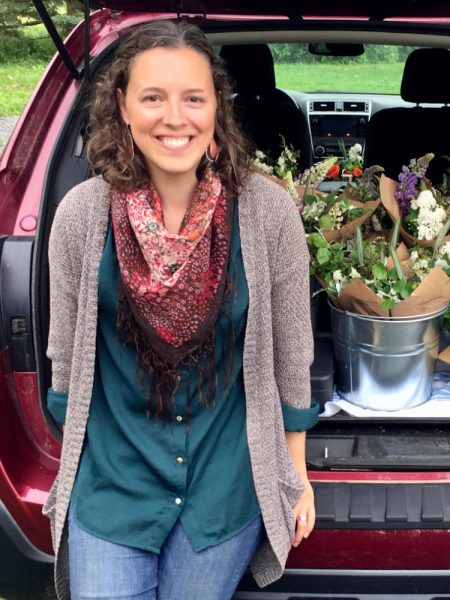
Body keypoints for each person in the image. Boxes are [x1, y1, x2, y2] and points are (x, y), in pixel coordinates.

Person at [43, 19, 319, 600]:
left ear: (217, 106)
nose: (175, 118)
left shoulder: (268, 213)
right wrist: (73, 473)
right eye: (152, 98)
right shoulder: (79, 216)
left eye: (194, 98)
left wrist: (292, 477)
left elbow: (292, 356)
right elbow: (66, 368)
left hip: (226, 485)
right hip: (114, 485)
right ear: (122, 106)